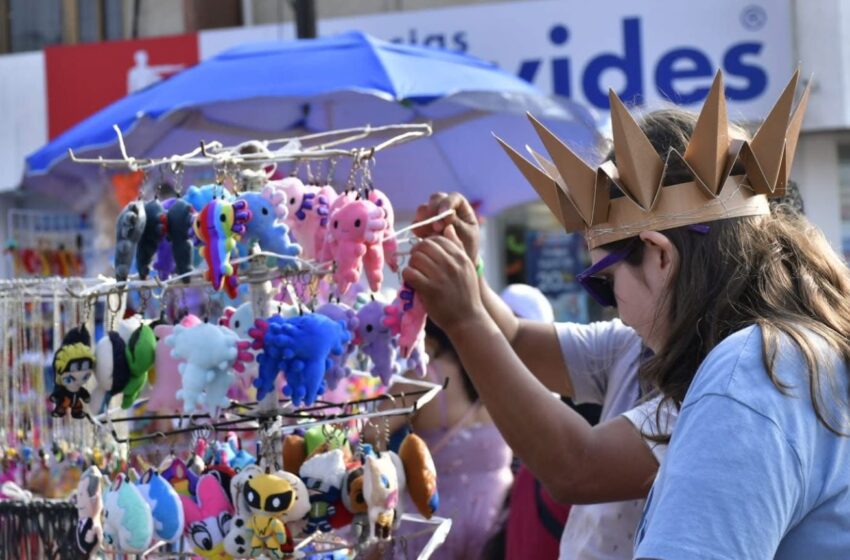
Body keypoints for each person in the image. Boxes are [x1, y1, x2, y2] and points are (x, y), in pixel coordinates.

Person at [406, 70, 850, 558]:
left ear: (660, 255)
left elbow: (575, 466)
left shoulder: (748, 371)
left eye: (603, 280)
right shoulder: (762, 350)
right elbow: (513, 341)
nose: (611, 306)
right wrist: (468, 274)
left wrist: (465, 319)